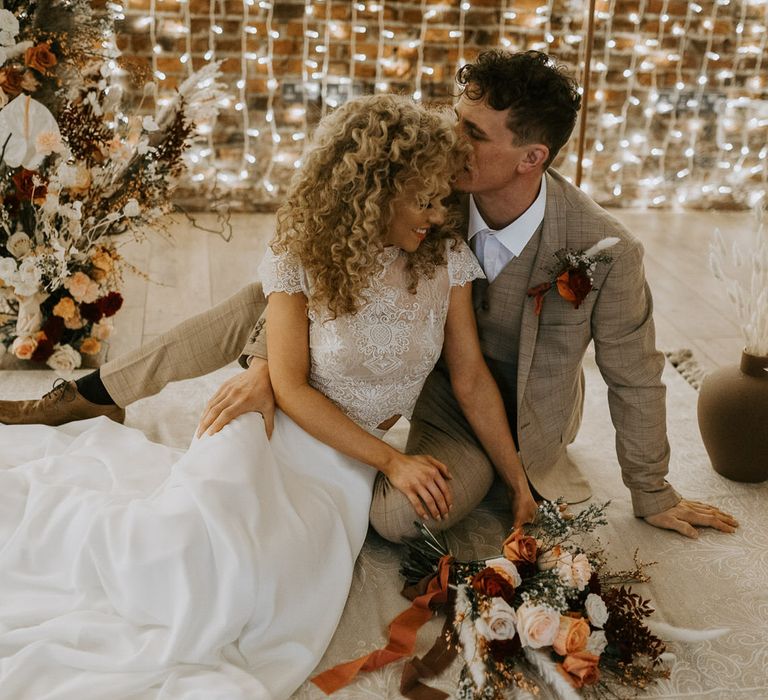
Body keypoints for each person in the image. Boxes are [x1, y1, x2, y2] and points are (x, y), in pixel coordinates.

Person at [1, 50, 737, 542]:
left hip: (488, 403)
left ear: (530, 157)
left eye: (473, 132)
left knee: (400, 520)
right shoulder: (434, 188)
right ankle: (94, 392)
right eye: (455, 119)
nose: (452, 140)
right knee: (262, 292)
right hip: (386, 353)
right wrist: (275, 373)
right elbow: (318, 260)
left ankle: (294, 419)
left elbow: (636, 376)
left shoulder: (606, 249)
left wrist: (653, 493)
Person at [0, 95, 538, 698]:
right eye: (424, 198)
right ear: (375, 191)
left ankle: (102, 399)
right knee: (177, 552)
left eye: (443, 198)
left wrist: (519, 482)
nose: (439, 214)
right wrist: (392, 459)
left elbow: (468, 377)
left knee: (278, 579)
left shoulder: (446, 260)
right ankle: (93, 415)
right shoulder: (301, 256)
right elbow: (290, 387)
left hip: (344, 466)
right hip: (275, 425)